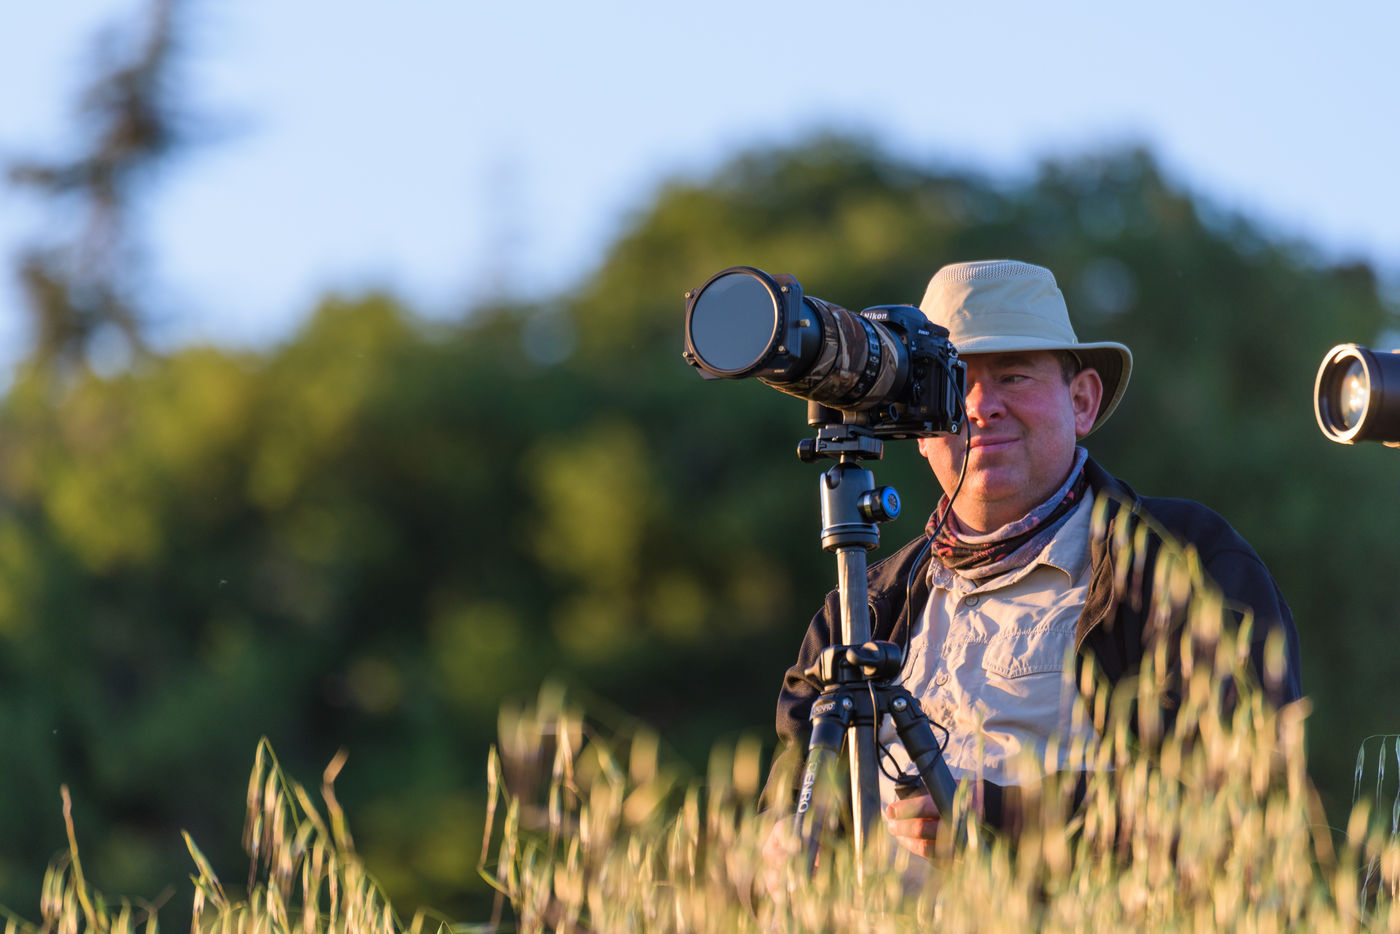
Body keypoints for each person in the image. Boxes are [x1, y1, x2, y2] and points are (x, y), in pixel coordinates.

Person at [763, 259, 1303, 863]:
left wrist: (1002, 817)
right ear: (915, 425)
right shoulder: (860, 607)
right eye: (952, 381)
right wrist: (781, 848)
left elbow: (1241, 796)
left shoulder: (1179, 560)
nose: (980, 406)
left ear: (1082, 401)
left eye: (1013, 377)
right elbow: (788, 804)